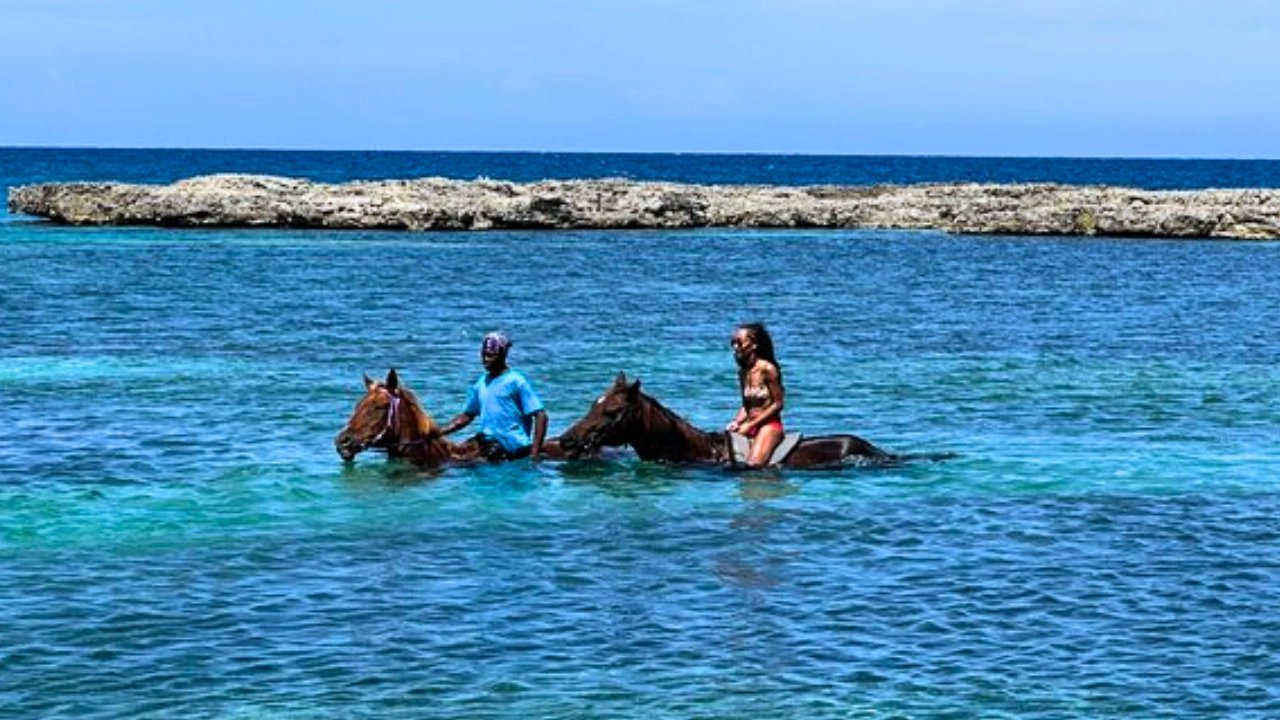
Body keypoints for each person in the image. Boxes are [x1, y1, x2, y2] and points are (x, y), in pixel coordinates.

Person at [441, 332, 549, 460]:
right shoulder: (481, 383)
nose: (485, 359)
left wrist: (534, 452)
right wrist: (440, 432)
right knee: (453, 454)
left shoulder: (516, 381)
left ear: (502, 355)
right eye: (483, 355)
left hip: (511, 444)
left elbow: (541, 416)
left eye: (490, 355)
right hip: (487, 440)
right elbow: (467, 416)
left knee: (470, 463)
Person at [725, 322, 785, 467]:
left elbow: (778, 404)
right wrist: (736, 422)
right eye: (733, 343)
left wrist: (750, 424)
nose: (735, 347)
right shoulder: (742, 372)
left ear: (754, 345)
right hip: (748, 425)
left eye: (739, 343)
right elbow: (746, 406)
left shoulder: (768, 369)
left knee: (753, 465)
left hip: (769, 426)